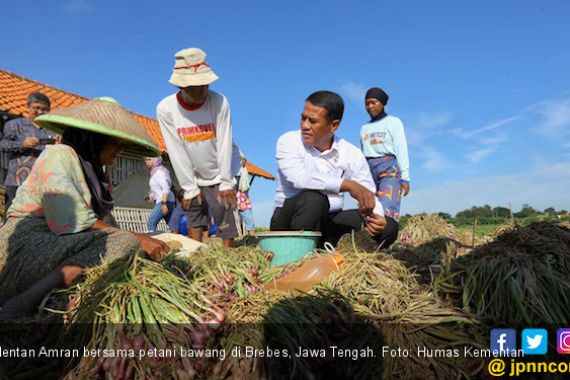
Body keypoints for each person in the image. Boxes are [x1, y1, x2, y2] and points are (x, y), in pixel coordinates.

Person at [0, 98, 170, 319]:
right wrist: (138, 239)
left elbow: (106, 226)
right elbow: (71, 219)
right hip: (26, 242)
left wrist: (141, 241)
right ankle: (21, 303)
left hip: (56, 241)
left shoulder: (96, 172)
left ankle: (62, 282)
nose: (119, 150)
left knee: (126, 245)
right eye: (114, 143)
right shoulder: (59, 154)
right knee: (125, 242)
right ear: (92, 139)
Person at [270, 91, 398, 247]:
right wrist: (348, 185)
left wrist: (374, 217)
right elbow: (299, 178)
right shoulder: (288, 141)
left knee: (388, 226)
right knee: (315, 200)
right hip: (289, 222)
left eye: (313, 121)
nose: (305, 125)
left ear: (334, 125)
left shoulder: (350, 152)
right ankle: (300, 257)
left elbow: (366, 192)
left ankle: (328, 251)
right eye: (303, 118)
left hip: (329, 220)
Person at [157, 47, 241, 248]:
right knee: (193, 208)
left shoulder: (219, 102)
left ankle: (227, 256)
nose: (203, 90)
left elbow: (224, 142)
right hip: (193, 170)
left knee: (223, 209)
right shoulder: (166, 109)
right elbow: (176, 151)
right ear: (181, 86)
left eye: (205, 84)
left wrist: (226, 182)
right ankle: (197, 252)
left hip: (224, 166)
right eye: (195, 86)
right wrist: (189, 187)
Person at [0, 92, 58, 213]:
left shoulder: (53, 130)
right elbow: (3, 145)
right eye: (36, 108)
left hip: (43, 182)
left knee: (39, 218)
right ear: (28, 107)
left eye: (44, 109)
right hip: (16, 180)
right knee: (12, 214)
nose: (40, 112)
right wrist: (22, 144)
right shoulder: (14, 125)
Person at [360, 87, 410, 221]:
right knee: (369, 208)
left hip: (388, 167)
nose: (370, 106)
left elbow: (401, 148)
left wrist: (405, 177)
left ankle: (386, 238)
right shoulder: (364, 128)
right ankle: (369, 240)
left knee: (387, 208)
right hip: (369, 169)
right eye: (367, 103)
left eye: (373, 102)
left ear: (382, 103)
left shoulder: (393, 122)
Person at [144, 156, 175, 232]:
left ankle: (153, 243)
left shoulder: (159, 172)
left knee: (151, 223)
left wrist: (164, 204)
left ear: (155, 160)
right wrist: (151, 197)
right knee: (173, 225)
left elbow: (165, 187)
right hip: (167, 201)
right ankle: (182, 240)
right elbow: (158, 189)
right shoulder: (155, 172)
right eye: (145, 159)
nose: (146, 161)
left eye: (149, 159)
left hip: (164, 201)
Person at [236, 154, 256, 237]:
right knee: (242, 215)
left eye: (243, 160)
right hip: (237, 196)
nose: (242, 161)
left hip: (243, 196)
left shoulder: (243, 171)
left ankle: (251, 232)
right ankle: (249, 232)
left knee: (248, 214)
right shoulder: (236, 171)